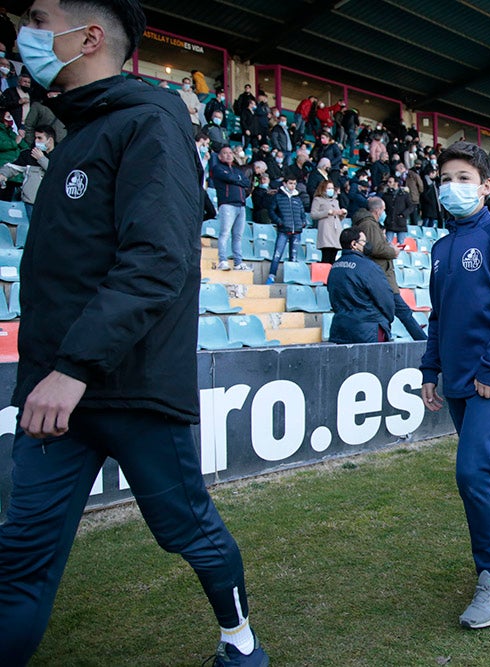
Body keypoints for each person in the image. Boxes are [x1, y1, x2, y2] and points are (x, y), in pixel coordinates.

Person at [0, 1, 268, 665]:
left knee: (187, 529)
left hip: (128, 389)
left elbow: (156, 261)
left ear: (88, 36)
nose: (22, 33)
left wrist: (75, 367)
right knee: (20, 559)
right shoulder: (75, 134)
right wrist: (52, 372)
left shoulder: (151, 123)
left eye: (37, 16)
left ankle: (241, 641)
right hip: (52, 394)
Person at [419, 141, 490, 629]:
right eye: (446, 178)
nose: (453, 186)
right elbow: (439, 315)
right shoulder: (442, 247)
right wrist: (430, 371)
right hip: (458, 380)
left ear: (486, 186)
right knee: (488, 469)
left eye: (464, 178)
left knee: (471, 472)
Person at [352, 196, 427, 341]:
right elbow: (374, 248)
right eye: (384, 209)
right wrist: (393, 251)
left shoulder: (369, 224)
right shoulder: (369, 224)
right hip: (382, 278)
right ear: (378, 210)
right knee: (403, 312)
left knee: (393, 312)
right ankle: (422, 340)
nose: (384, 213)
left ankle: (412, 338)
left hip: (380, 276)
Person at [326, 227, 395, 343]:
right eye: (364, 241)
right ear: (354, 244)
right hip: (368, 330)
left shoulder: (335, 267)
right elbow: (385, 298)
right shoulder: (369, 267)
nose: (367, 244)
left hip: (340, 328)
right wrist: (387, 319)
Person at [0, 124, 54, 220]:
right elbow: (13, 167)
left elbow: (56, 172)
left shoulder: (60, 155)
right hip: (30, 203)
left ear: (50, 140)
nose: (36, 141)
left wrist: (41, 159)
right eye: (35, 138)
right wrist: (3, 174)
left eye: (39, 138)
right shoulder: (28, 155)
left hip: (50, 204)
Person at [211, 145, 252, 271]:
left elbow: (247, 182)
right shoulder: (217, 168)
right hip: (227, 205)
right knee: (225, 234)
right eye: (225, 153)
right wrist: (237, 179)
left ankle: (238, 262)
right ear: (219, 156)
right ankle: (222, 260)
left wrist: (236, 179)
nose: (228, 155)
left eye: (230, 153)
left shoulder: (237, 170)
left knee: (238, 236)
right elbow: (229, 178)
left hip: (241, 205)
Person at [267, 171, 308, 284]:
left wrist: (303, 222)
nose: (292, 186)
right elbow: (271, 211)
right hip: (283, 230)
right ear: (285, 183)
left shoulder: (297, 198)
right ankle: (271, 276)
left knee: (293, 258)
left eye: (294, 184)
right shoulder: (278, 197)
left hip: (297, 231)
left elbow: (302, 212)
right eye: (290, 183)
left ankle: (291, 279)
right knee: (277, 254)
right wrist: (279, 222)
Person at [311, 178, 346, 263]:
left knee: (333, 257)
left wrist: (342, 214)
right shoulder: (318, 200)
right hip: (326, 231)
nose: (331, 190)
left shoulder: (335, 201)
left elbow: (338, 218)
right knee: (326, 256)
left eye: (332, 188)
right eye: (328, 188)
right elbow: (313, 215)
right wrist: (327, 212)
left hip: (335, 231)